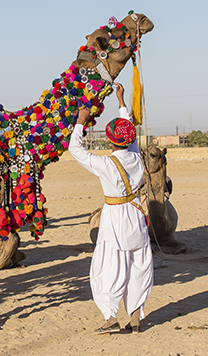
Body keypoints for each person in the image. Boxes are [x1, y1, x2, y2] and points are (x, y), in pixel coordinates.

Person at [68, 82, 153, 334]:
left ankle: (110, 315)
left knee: (108, 267)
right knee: (139, 265)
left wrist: (81, 121)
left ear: (110, 140)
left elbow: (75, 149)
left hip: (114, 218)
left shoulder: (105, 164)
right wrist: (121, 102)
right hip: (136, 216)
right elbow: (131, 135)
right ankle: (136, 316)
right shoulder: (136, 156)